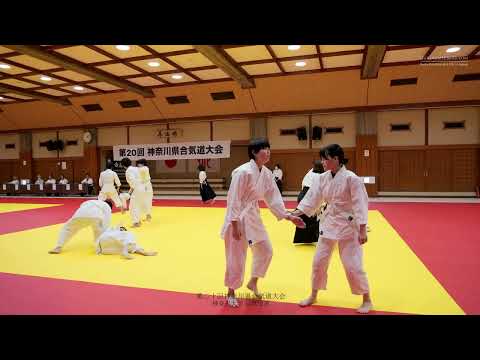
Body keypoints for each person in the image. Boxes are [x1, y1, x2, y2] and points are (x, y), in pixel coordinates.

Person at [220, 137, 305, 308]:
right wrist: (235, 224)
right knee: (236, 256)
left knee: (266, 250)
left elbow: (273, 197)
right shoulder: (243, 172)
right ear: (253, 152)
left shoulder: (266, 173)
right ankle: (231, 291)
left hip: (253, 215)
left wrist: (288, 216)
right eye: (263, 149)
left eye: (268, 148)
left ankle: (253, 281)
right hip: (237, 217)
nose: (268, 152)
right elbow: (233, 199)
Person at [288, 144, 372, 314]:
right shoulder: (322, 178)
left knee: (352, 265)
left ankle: (367, 299)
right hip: (328, 223)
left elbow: (360, 205)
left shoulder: (352, 179)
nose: (323, 162)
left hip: (348, 225)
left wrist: (362, 229)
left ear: (336, 159)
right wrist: (293, 213)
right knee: (318, 262)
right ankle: (313, 294)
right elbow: (312, 200)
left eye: (325, 158)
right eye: (322, 158)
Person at [48, 199, 113, 254]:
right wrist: (104, 232)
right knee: (98, 230)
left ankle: (58, 247)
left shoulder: (91, 201)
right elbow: (106, 222)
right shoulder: (107, 206)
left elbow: (82, 207)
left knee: (67, 229)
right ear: (110, 206)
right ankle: (100, 248)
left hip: (79, 215)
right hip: (96, 216)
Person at [293, 159, 325, 244]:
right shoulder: (319, 176)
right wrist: (317, 206)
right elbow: (317, 192)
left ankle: (306, 239)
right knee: (312, 217)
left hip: (303, 194)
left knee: (307, 218)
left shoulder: (310, 172)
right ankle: (311, 238)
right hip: (309, 195)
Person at [121, 157, 147, 227]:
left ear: (123, 165)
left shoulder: (128, 171)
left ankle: (136, 222)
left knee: (132, 206)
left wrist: (130, 192)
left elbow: (133, 182)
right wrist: (129, 193)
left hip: (137, 189)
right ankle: (138, 221)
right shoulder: (136, 168)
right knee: (137, 206)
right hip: (143, 188)